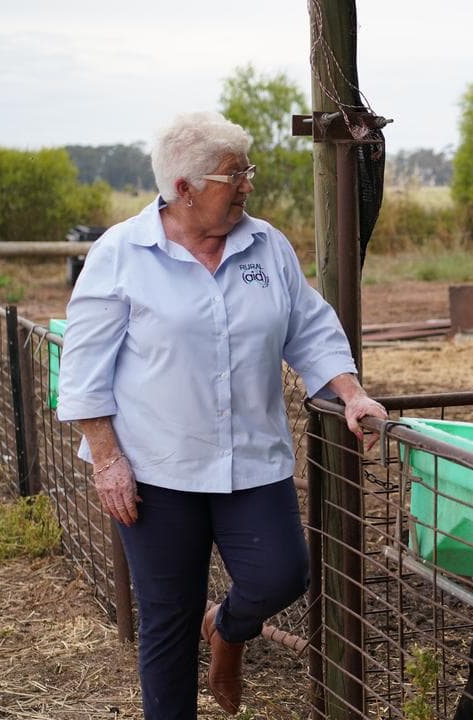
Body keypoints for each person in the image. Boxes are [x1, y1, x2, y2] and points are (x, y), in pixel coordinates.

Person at [57, 111, 388, 718]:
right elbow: (83, 369)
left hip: (251, 460)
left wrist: (350, 391)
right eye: (234, 174)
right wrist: (108, 461)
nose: (247, 186)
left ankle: (229, 629)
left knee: (282, 577)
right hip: (155, 470)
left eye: (247, 170)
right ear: (183, 187)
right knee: (166, 619)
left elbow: (308, 328)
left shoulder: (267, 244)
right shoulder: (121, 253)